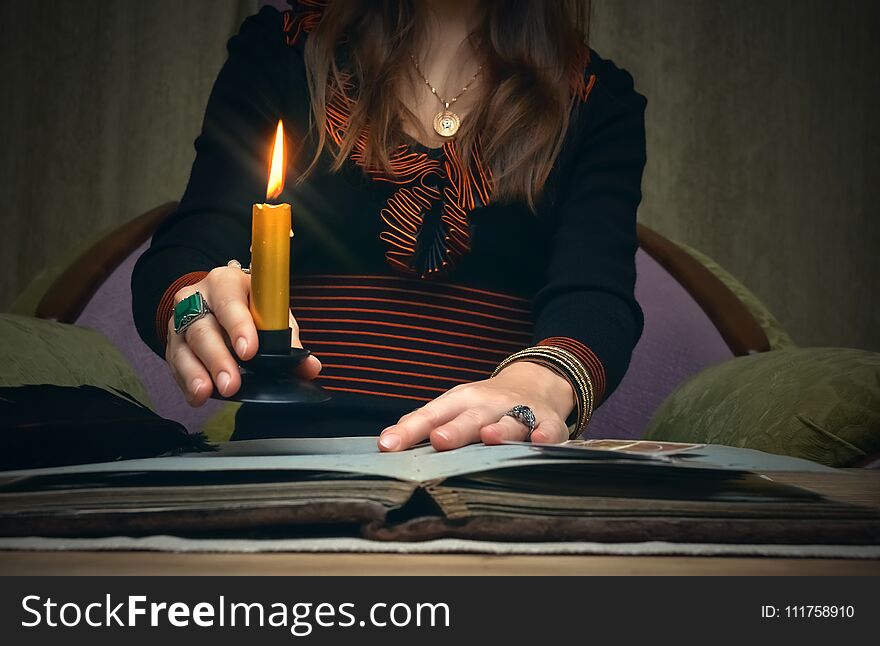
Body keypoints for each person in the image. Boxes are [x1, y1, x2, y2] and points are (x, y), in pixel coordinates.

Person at [131, 0, 647, 452]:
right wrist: (193, 301)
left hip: (487, 467)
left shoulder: (598, 100)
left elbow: (595, 296)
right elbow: (186, 249)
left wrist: (539, 387)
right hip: (286, 463)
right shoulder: (281, 52)